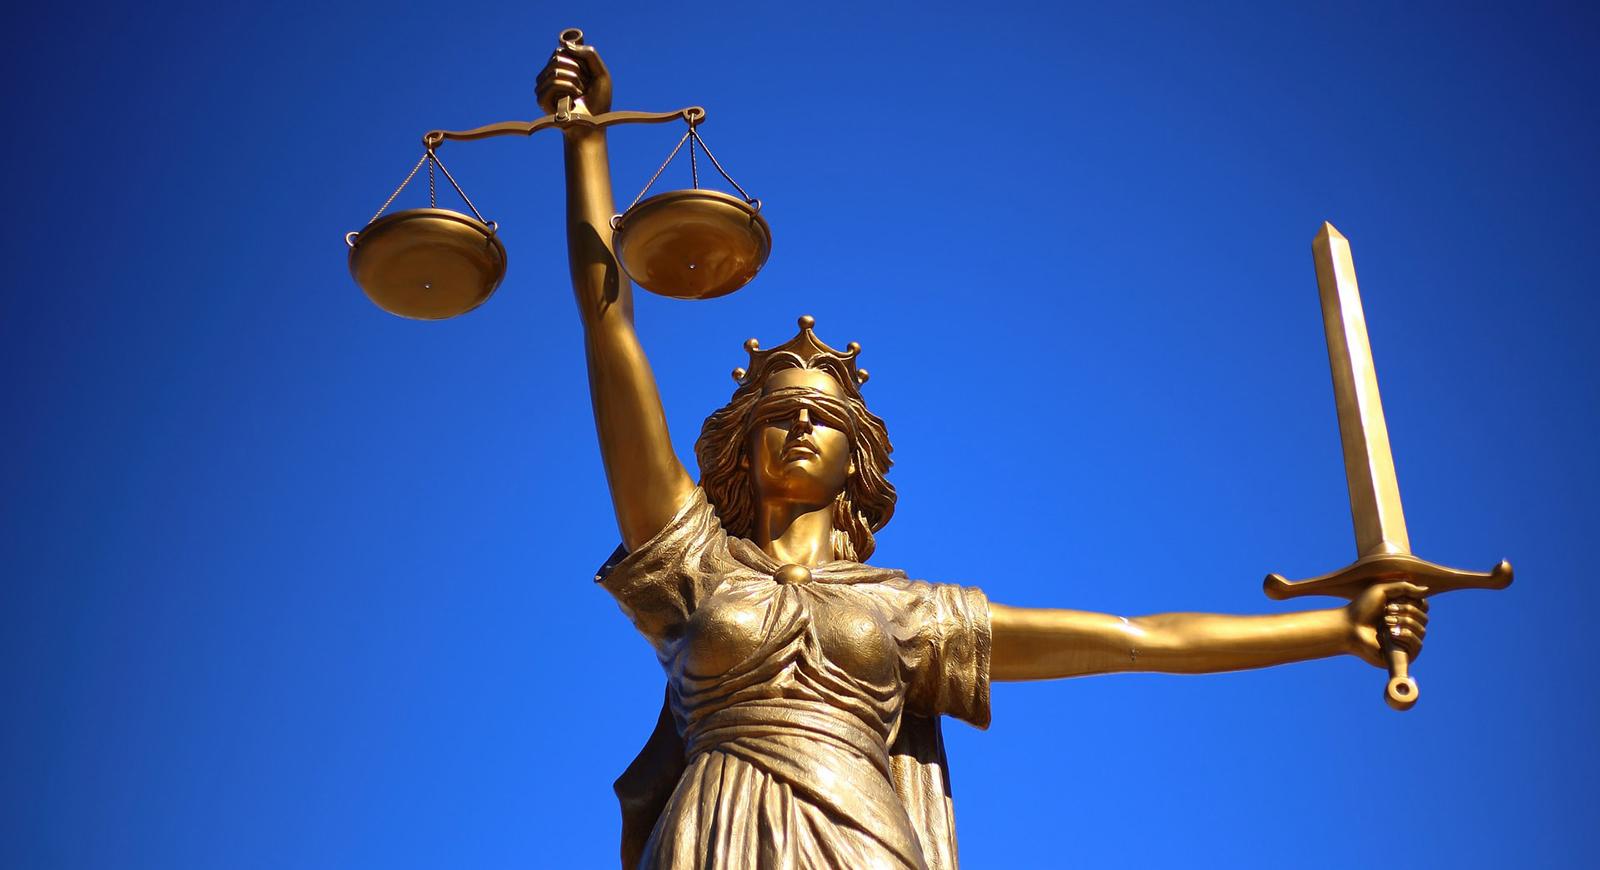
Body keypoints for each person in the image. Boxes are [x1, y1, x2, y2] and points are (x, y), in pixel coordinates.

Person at [537, 43, 1428, 870]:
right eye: (781, 415)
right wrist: (586, 147)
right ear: (742, 444)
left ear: (858, 461)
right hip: (713, 834)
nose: (802, 428)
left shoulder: (912, 615)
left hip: (861, 838)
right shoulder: (694, 566)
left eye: (823, 418)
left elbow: (1137, 641)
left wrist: (1339, 630)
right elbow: (607, 327)